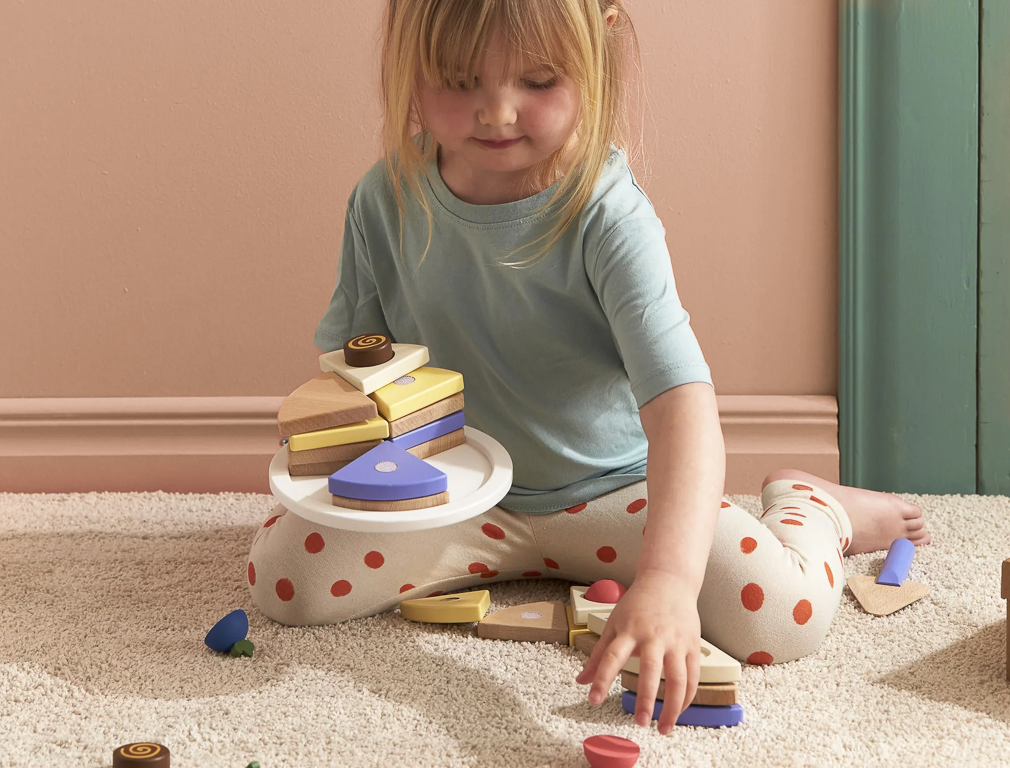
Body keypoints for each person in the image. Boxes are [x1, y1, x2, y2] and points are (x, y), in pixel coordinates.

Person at [248, 0, 931, 735]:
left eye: (538, 80)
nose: (499, 112)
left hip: (616, 493)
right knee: (285, 583)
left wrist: (670, 581)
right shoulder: (383, 200)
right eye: (458, 78)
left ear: (594, 64)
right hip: (461, 494)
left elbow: (682, 407)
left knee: (784, 621)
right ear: (410, 71)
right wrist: (337, 475)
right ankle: (517, 562)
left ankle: (814, 508)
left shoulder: (607, 214)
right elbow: (356, 374)